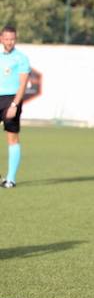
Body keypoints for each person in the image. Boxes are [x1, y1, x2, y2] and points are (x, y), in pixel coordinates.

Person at [0, 26, 30, 189]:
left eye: (12, 39)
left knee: (12, 137)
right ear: (1, 39)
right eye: (6, 38)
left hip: (11, 99)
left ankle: (10, 179)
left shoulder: (21, 58)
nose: (9, 42)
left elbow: (23, 83)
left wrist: (14, 104)